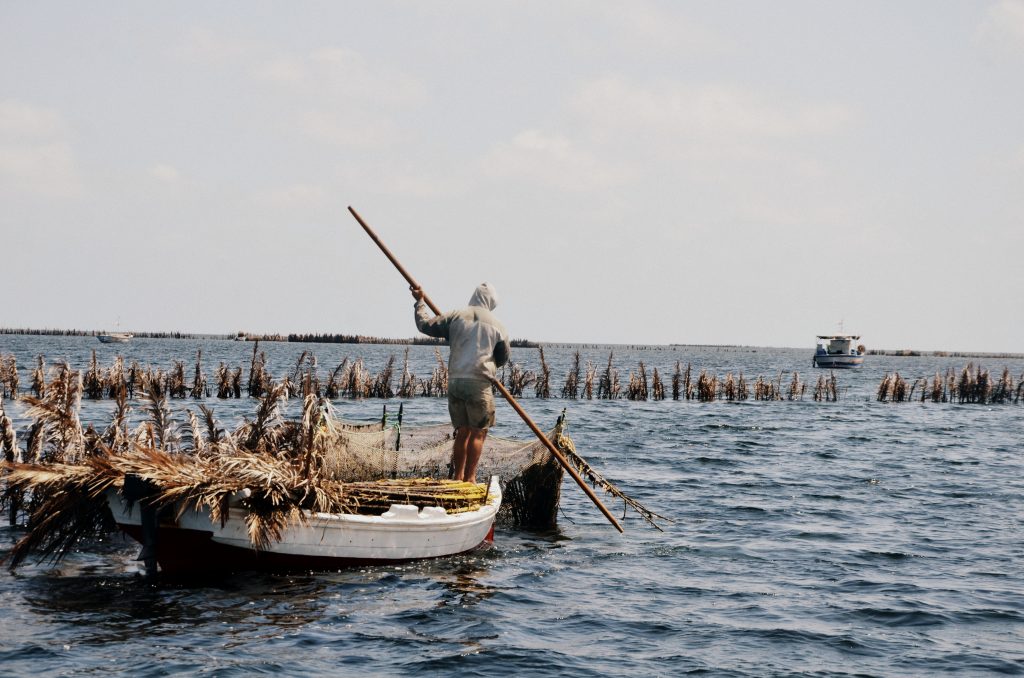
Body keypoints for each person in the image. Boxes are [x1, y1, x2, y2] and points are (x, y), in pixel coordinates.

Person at [412, 283, 509, 483]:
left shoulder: (455, 316)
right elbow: (502, 357)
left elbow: (425, 325)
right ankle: (470, 478)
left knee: (462, 432)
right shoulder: (498, 326)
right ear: (491, 303)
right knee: (478, 433)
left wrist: (420, 301)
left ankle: (458, 477)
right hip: (479, 383)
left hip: (455, 382)